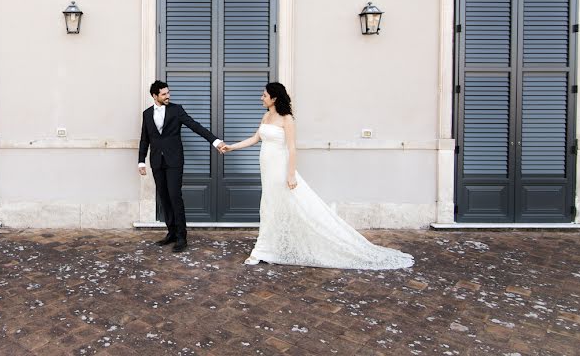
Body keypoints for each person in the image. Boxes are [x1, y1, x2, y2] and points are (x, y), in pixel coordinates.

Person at [221, 82, 413, 269]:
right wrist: (231, 147)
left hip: (280, 169)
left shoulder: (287, 119)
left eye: (264, 95)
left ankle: (261, 251)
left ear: (274, 98)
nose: (261, 98)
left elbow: (292, 148)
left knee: (282, 206)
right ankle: (269, 248)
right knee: (269, 207)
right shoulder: (266, 116)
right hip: (267, 169)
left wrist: (291, 175)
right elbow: (255, 139)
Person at [138, 80, 224, 253]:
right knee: (164, 197)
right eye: (164, 94)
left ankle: (181, 237)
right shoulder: (147, 114)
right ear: (155, 96)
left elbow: (195, 126)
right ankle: (171, 232)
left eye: (168, 93)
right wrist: (141, 161)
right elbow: (144, 139)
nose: (168, 96)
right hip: (157, 162)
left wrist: (214, 141)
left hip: (174, 161)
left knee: (175, 196)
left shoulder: (177, 110)